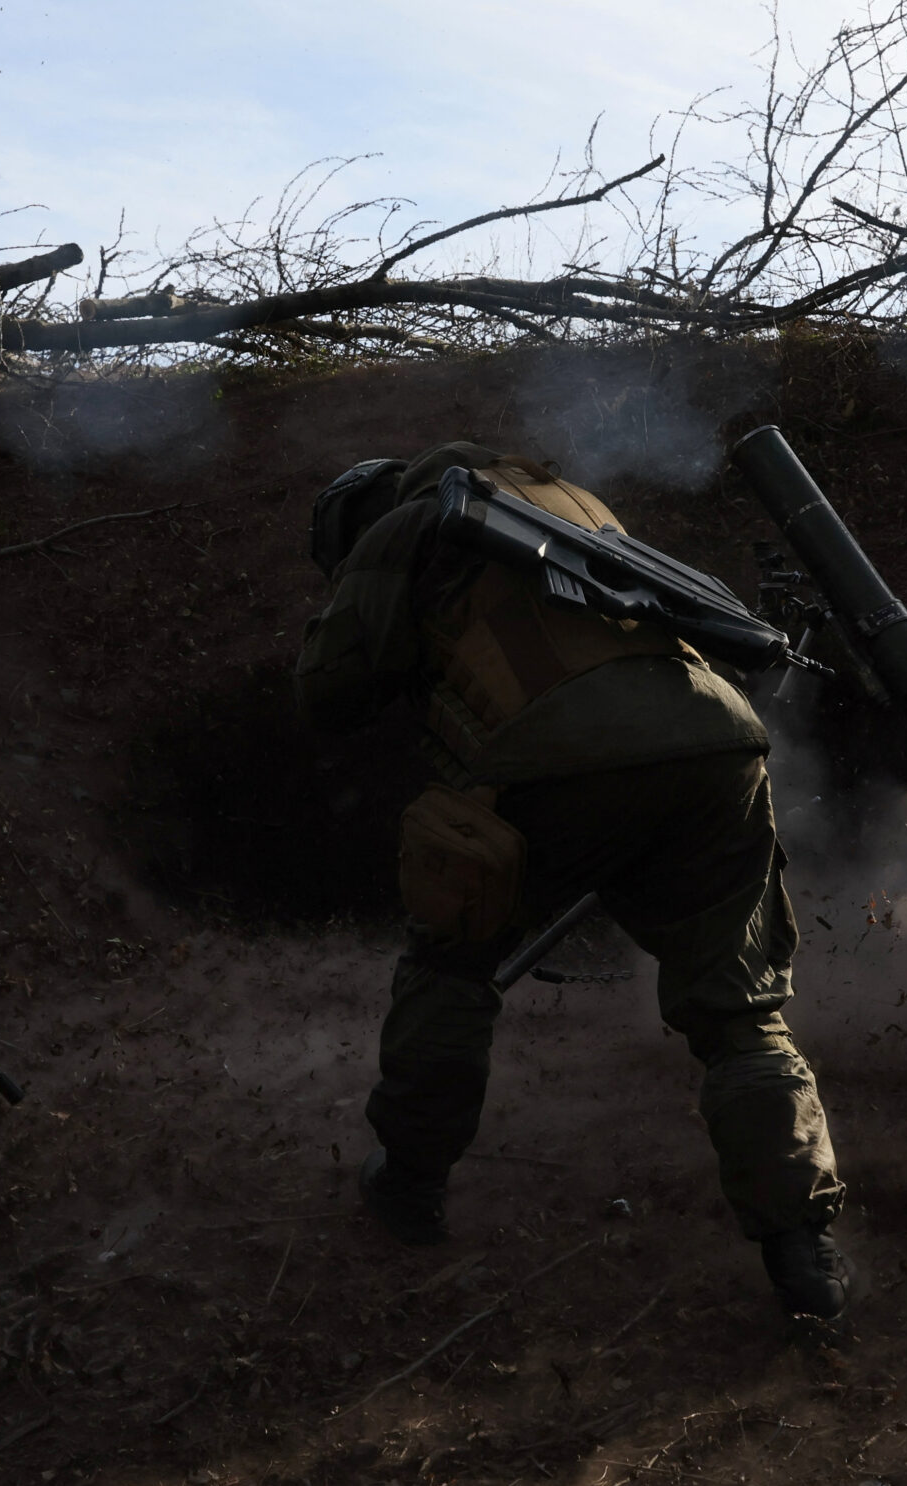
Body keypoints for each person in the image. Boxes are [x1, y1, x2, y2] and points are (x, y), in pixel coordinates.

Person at [294, 444, 851, 1319]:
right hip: (716, 743)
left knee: (452, 964)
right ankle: (804, 1254)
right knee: (739, 1012)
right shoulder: (569, 498)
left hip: (556, 753)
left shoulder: (405, 524)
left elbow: (328, 686)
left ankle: (409, 1185)